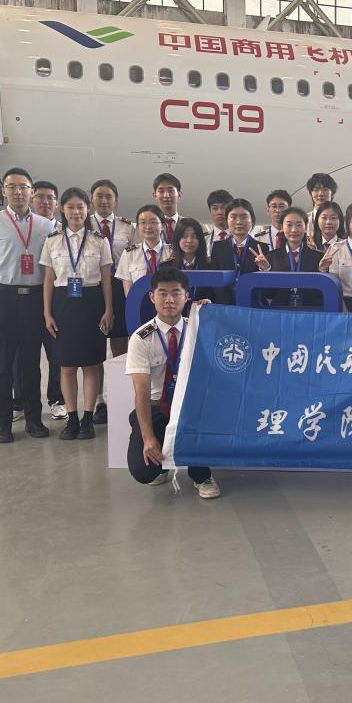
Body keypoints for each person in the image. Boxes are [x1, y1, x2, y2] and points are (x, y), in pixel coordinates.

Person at [126, 267, 221, 499]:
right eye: (163, 293)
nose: (169, 300)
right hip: (158, 406)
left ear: (186, 296)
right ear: (152, 297)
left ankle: (201, 474)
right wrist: (148, 438)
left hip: (191, 406)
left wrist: (212, 315)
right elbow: (141, 391)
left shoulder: (198, 329)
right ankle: (161, 463)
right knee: (143, 471)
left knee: (206, 415)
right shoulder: (141, 338)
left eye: (176, 293)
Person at [0, 167, 50, 443]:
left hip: (34, 299)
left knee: (31, 363)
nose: (18, 192)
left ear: (32, 192)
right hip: (3, 298)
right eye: (12, 187)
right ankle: (3, 422)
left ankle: (33, 419)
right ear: (4, 191)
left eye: (23, 187)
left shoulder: (45, 225)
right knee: (3, 364)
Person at [41, 187, 114, 440]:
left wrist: (108, 309)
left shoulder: (99, 240)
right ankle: (72, 419)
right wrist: (47, 313)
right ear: (62, 209)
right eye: (70, 207)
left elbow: (106, 279)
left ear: (87, 209)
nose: (76, 212)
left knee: (92, 364)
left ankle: (87, 419)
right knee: (67, 366)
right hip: (63, 305)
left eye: (80, 207)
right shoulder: (52, 241)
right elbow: (48, 279)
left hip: (92, 303)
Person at [89, 178, 134, 425]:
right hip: (93, 288)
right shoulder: (84, 224)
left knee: (120, 346)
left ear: (116, 200)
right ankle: (99, 401)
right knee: (95, 348)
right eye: (100, 196)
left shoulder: (128, 228)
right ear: (91, 199)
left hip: (119, 288)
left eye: (109, 196)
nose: (104, 201)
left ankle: (120, 396)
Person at [26, 181, 64, 419]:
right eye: (40, 196)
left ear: (57, 203)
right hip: (29, 295)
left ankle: (57, 398)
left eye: (50, 197)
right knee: (25, 353)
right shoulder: (24, 227)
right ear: (32, 199)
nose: (45, 202)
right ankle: (22, 401)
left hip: (57, 296)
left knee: (56, 351)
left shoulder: (65, 230)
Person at [209, 198, 270, 304]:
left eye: (244, 217)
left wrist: (266, 269)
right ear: (227, 219)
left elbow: (266, 290)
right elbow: (214, 283)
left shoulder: (262, 248)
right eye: (233, 217)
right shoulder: (218, 248)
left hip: (252, 306)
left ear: (252, 219)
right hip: (225, 307)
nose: (239, 222)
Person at [262, 207, 324, 307]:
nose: (294, 230)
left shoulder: (319, 257)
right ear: (282, 227)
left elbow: (321, 293)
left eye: (299, 225)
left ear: (305, 228)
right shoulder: (271, 258)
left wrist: (322, 270)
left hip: (310, 312)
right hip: (280, 312)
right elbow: (269, 294)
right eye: (289, 225)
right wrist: (266, 271)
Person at [115, 205, 171, 295]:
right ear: (138, 227)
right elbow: (128, 290)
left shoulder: (172, 253)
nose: (148, 226)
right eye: (143, 222)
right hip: (138, 302)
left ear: (163, 226)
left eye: (153, 222)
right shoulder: (129, 254)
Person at [160, 216, 213, 303]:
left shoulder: (210, 266)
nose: (189, 240)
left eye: (194, 236)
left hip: (203, 310)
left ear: (200, 240)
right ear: (177, 239)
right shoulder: (165, 267)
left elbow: (216, 294)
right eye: (184, 236)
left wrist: (209, 301)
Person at [152, 173, 184, 244]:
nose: (166, 195)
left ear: (179, 194)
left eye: (170, 190)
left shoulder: (188, 225)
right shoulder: (148, 226)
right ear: (154, 195)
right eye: (161, 191)